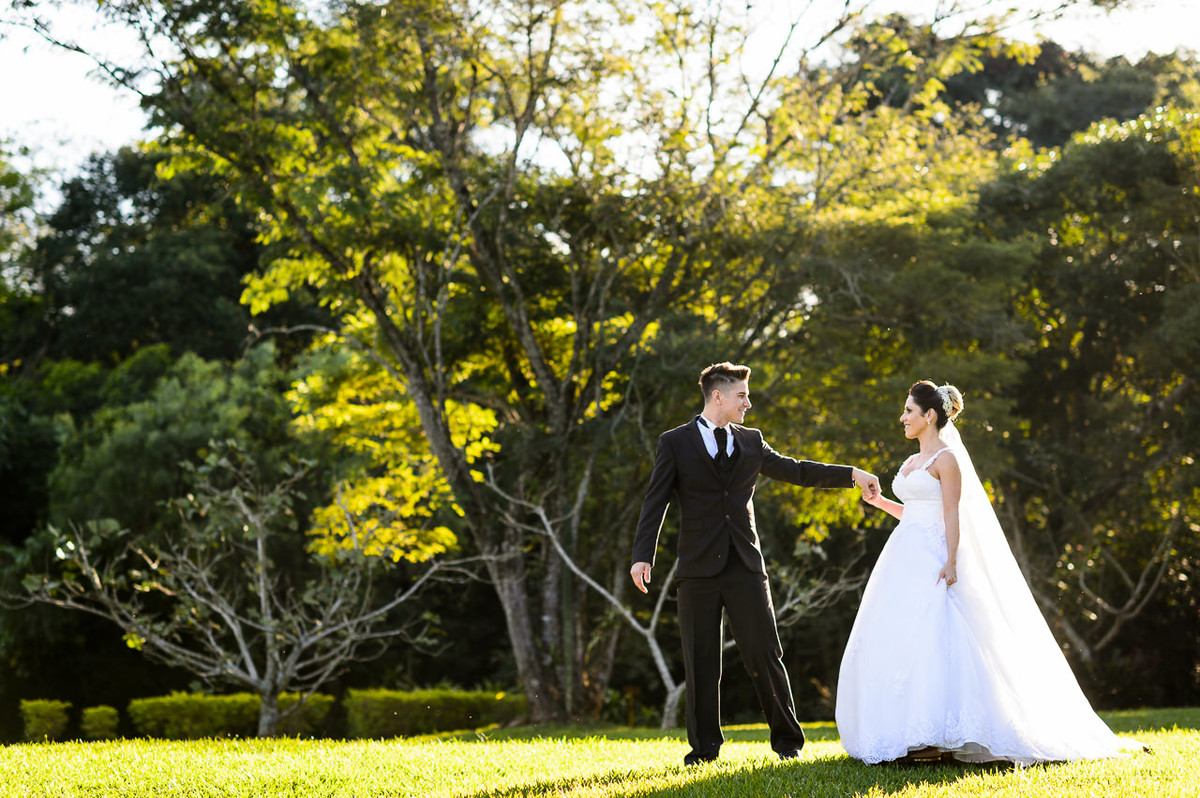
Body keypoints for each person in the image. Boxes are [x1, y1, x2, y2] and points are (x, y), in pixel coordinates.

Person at [836, 380, 1142, 766]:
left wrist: (950, 560)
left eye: (909, 411)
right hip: (903, 559)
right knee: (898, 637)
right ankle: (912, 734)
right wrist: (880, 501)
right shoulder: (911, 462)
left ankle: (939, 734)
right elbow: (912, 514)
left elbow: (951, 513)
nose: (903, 417)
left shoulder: (946, 459)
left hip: (934, 558)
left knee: (939, 636)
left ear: (929, 416)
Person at [631, 362, 881, 765]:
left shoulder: (752, 441)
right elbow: (655, 501)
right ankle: (704, 749)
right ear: (718, 397)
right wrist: (644, 555)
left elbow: (797, 470)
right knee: (701, 661)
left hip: (745, 566)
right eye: (742, 396)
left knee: (765, 654)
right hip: (696, 570)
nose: (749, 403)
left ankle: (788, 743)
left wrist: (851, 474)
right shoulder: (674, 443)